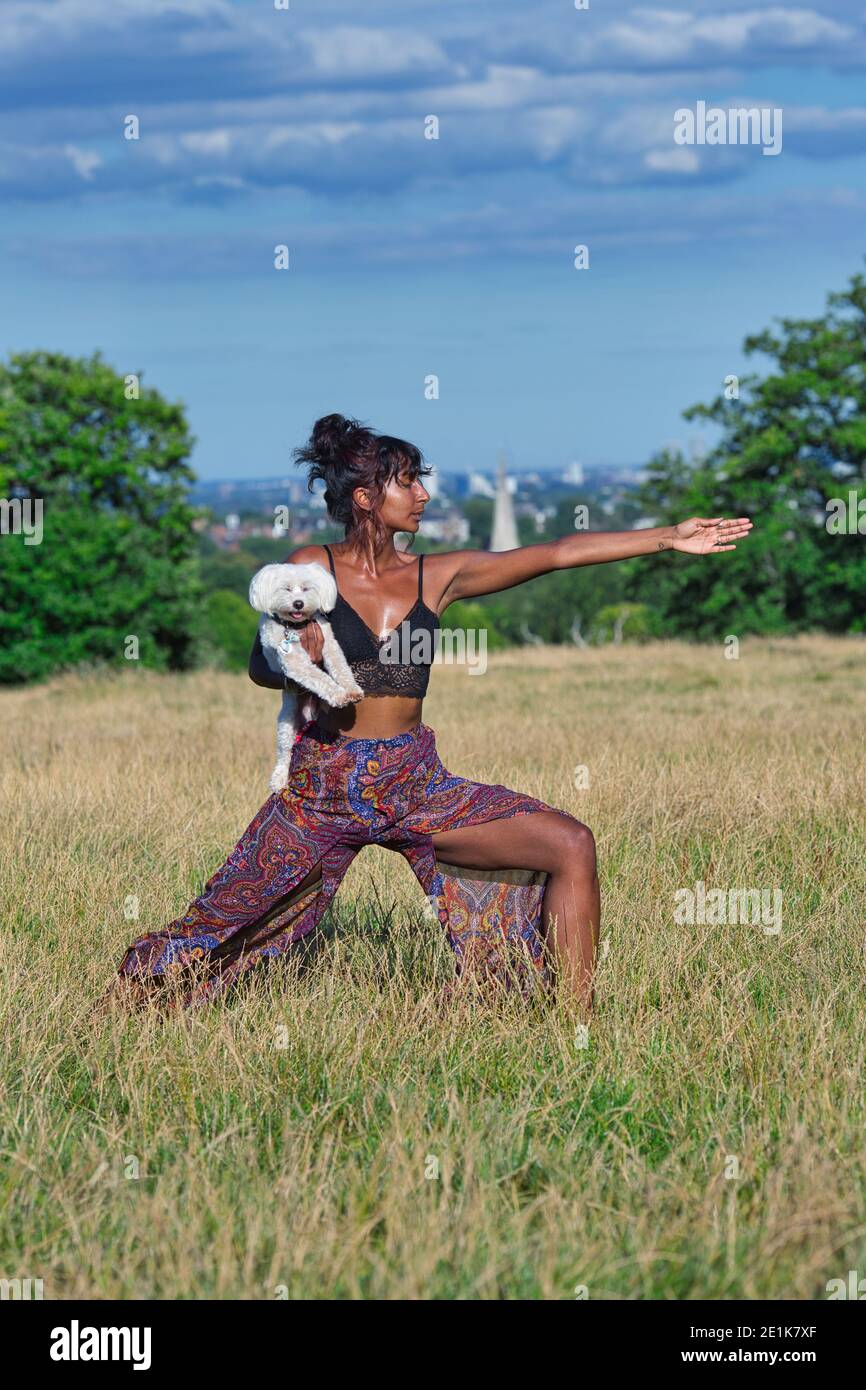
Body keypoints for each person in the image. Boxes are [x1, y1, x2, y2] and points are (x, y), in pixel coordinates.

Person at [109, 414, 751, 1015]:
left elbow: (555, 552)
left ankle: (575, 1029)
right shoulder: (311, 567)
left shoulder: (437, 575)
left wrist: (666, 538)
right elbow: (259, 667)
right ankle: (119, 1012)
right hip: (322, 788)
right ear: (365, 497)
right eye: (408, 480)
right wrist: (287, 655)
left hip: (414, 782)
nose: (422, 493)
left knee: (570, 843)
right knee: (221, 925)